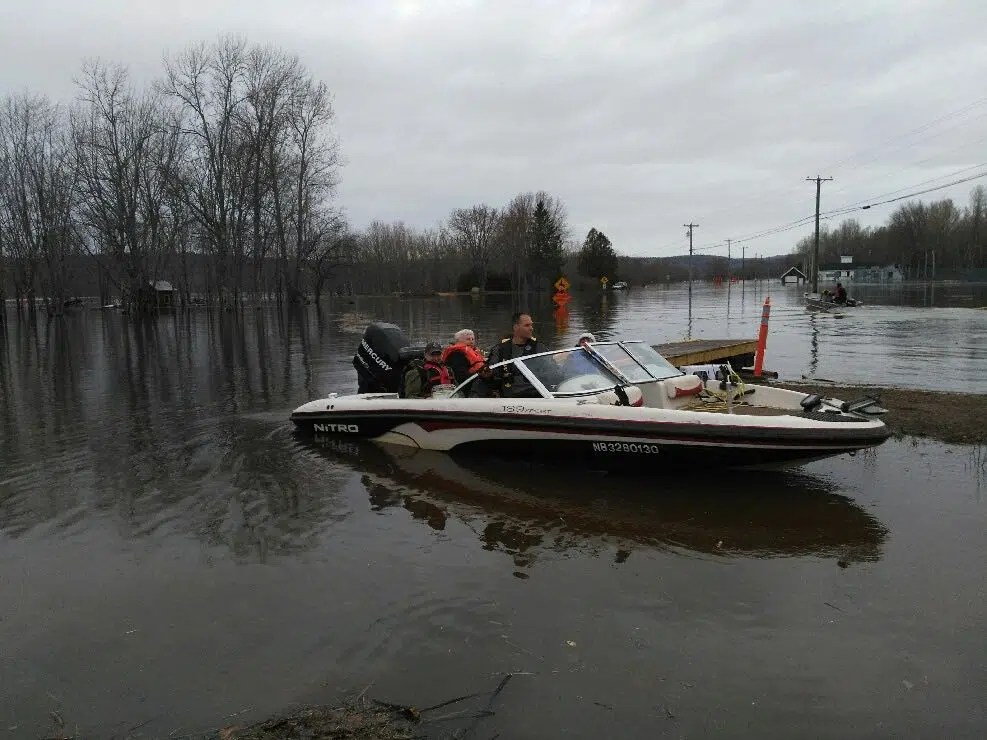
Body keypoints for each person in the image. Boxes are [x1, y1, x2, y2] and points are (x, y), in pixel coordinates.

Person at [487, 312, 543, 398]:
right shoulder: (499, 349)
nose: (531, 328)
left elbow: (551, 369)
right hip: (511, 396)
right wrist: (487, 374)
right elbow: (492, 372)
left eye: (531, 325)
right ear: (516, 327)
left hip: (537, 393)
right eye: (527, 325)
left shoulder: (539, 347)